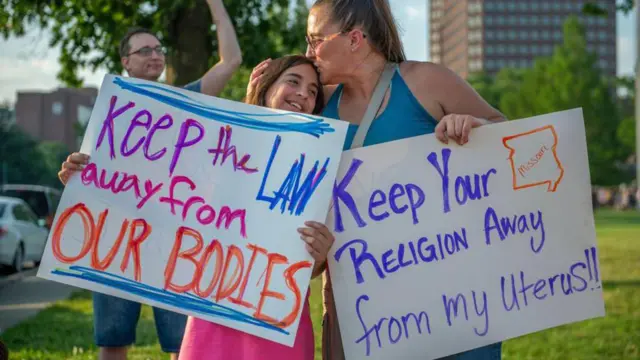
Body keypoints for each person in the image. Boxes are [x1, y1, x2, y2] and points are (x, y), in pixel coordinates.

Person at [247, 0, 507, 359]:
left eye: (315, 39)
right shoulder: (318, 102)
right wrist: (257, 100)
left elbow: (508, 136)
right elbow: (271, 173)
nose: (307, 51)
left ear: (354, 40)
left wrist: (474, 127)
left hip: (450, 300)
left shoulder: (426, 81)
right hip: (363, 310)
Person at [59, 55, 333, 360]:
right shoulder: (215, 145)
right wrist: (89, 181)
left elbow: (309, 264)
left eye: (312, 92)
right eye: (293, 81)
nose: (303, 94)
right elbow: (154, 200)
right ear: (267, 87)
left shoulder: (317, 169)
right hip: (212, 316)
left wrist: (320, 257)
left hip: (277, 321)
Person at [58, 1, 242, 359]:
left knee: (179, 345)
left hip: (171, 239)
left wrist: (216, 8)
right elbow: (91, 175)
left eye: (159, 49)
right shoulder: (110, 109)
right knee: (112, 341)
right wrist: (73, 174)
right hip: (114, 236)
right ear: (125, 62)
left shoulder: (185, 99)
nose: (155, 55)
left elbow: (231, 62)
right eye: (145, 51)